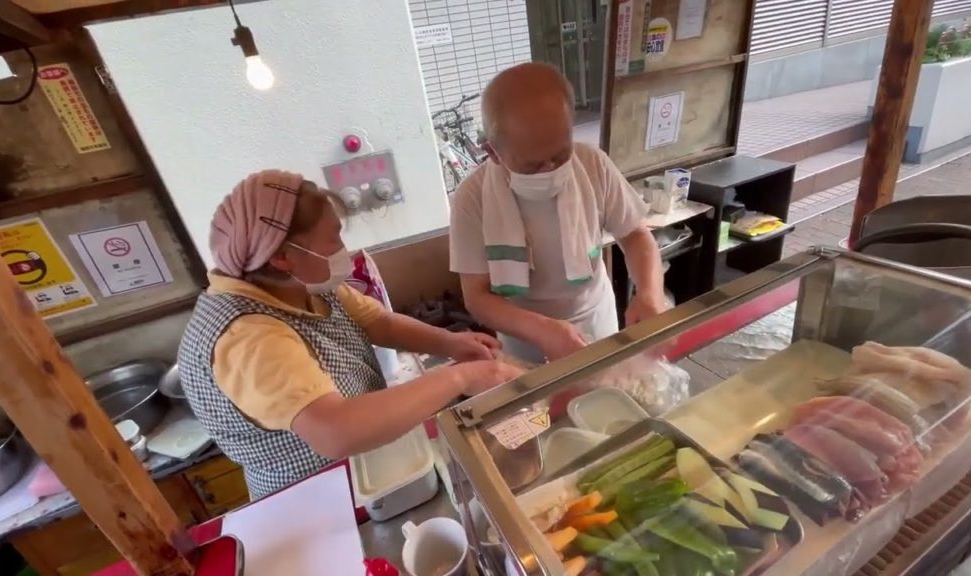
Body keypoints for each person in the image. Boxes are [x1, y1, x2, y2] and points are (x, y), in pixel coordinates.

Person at [178, 170, 523, 500]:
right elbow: (334, 431)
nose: (343, 248)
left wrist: (450, 342)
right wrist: (460, 376)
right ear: (283, 258)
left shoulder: (302, 284)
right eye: (333, 238)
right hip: (317, 501)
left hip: (372, 466)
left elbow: (379, 323)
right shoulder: (247, 338)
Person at [448, 63, 669, 364]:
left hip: (597, 321)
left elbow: (635, 234)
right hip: (524, 339)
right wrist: (542, 330)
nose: (550, 169)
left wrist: (650, 293)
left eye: (560, 153)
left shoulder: (593, 164)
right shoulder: (472, 198)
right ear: (492, 152)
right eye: (533, 164)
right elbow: (476, 296)